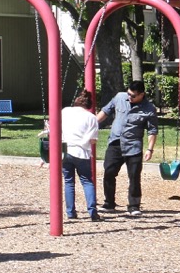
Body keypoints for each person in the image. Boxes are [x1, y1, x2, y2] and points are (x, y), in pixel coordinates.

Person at [96, 80, 158, 216]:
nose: (129, 97)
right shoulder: (119, 97)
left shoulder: (149, 109)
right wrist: (92, 123)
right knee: (109, 172)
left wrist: (150, 149)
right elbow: (105, 111)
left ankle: (134, 206)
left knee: (134, 176)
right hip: (115, 142)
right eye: (128, 93)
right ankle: (109, 203)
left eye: (133, 96)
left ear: (142, 94)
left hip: (133, 145)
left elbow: (152, 130)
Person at [60, 91, 102, 221]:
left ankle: (70, 212)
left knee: (69, 181)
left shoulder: (65, 111)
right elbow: (93, 140)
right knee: (87, 181)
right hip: (81, 152)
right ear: (88, 105)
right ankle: (92, 211)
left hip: (65, 150)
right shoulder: (91, 118)